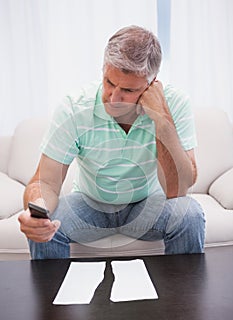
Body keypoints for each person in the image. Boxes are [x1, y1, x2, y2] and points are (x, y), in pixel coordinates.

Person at [18, 25, 205, 259]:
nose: (114, 98)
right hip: (89, 203)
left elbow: (177, 191)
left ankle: (183, 296)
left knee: (190, 214)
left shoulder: (175, 103)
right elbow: (45, 180)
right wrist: (38, 210)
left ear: (151, 83)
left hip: (147, 203)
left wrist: (161, 118)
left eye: (128, 90)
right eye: (108, 82)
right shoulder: (75, 107)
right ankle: (54, 296)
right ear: (103, 69)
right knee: (47, 223)